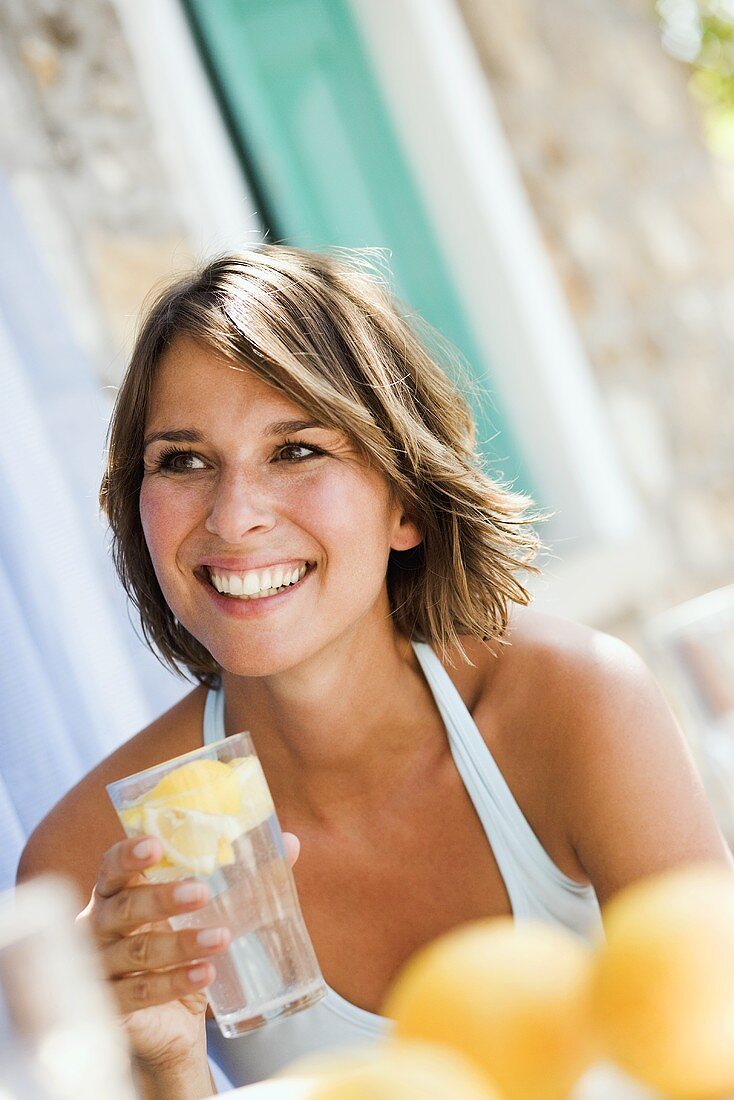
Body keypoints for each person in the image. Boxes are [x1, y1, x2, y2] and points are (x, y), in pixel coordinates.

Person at [17, 245, 732, 1098]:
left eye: (297, 450)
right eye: (183, 460)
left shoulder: (570, 706)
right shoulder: (88, 861)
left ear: (406, 502)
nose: (234, 515)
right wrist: (164, 1061)